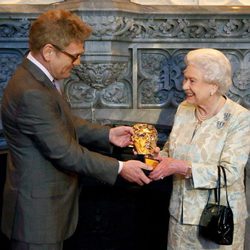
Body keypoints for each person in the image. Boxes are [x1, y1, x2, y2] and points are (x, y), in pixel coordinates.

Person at [1, 9, 151, 250]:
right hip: (36, 217)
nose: (78, 62)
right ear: (49, 51)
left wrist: (108, 134)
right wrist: (120, 168)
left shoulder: (38, 79)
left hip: (45, 209)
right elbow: (65, 153)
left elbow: (64, 121)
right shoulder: (31, 91)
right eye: (74, 56)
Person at [149, 48, 250, 249]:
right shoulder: (184, 109)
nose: (184, 85)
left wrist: (180, 167)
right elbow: (171, 150)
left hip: (217, 221)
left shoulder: (240, 118)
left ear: (213, 86)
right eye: (185, 79)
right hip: (180, 218)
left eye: (192, 81)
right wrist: (155, 155)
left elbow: (229, 172)